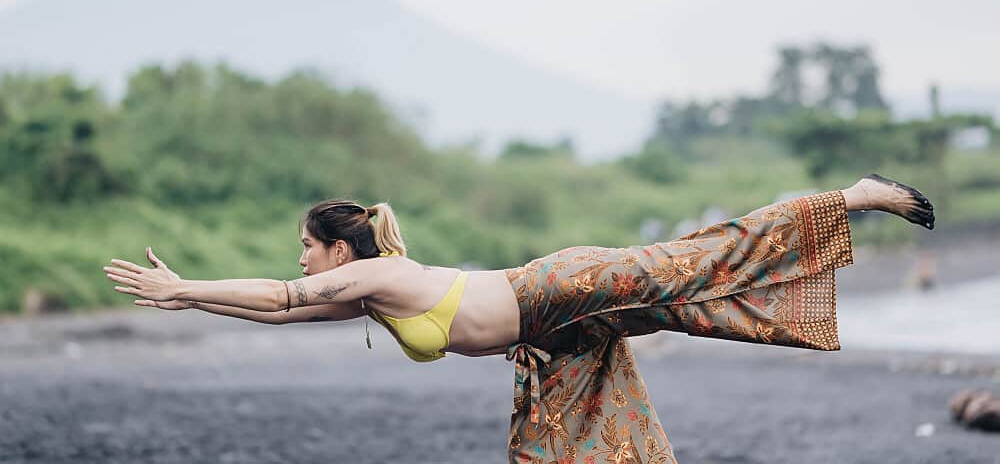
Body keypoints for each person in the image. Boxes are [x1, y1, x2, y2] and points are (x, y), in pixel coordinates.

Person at [104, 173, 935, 463]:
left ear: (338, 251)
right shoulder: (366, 292)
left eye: (306, 248)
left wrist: (184, 290)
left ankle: (852, 199)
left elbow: (285, 297)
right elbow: (283, 314)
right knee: (549, 441)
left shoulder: (381, 277)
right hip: (550, 330)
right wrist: (194, 299)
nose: (300, 262)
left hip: (556, 288)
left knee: (699, 264)